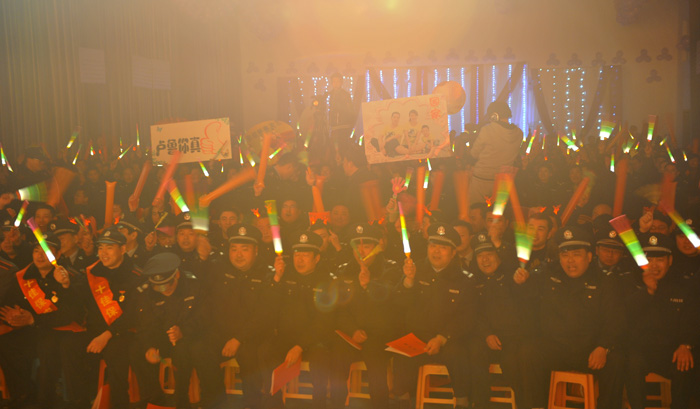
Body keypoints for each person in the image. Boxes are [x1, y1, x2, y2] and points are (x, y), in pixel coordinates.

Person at [518, 226, 625, 409]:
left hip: (589, 351)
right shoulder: (549, 274)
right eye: (565, 255)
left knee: (616, 360)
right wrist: (521, 281)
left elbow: (615, 319)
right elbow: (527, 297)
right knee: (528, 352)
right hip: (556, 348)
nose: (570, 261)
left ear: (589, 257)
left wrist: (603, 346)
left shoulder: (604, 281)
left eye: (576, 255)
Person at [392, 222, 476, 409]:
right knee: (400, 353)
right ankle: (401, 401)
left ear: (453, 253)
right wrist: (408, 281)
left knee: (459, 355)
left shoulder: (464, 279)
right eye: (433, 245)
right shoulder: (414, 269)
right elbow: (399, 304)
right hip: (417, 338)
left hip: (448, 339)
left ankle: (462, 402)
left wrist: (442, 338)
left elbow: (467, 318)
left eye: (443, 247)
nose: (436, 251)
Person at [199, 223, 278, 409]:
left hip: (251, 336)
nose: (238, 254)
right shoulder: (220, 270)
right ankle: (216, 401)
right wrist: (202, 258)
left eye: (244, 249)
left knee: (249, 355)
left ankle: (252, 404)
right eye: (234, 249)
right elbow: (205, 295)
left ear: (256, 250)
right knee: (200, 349)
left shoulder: (267, 274)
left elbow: (264, 315)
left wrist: (239, 338)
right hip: (222, 331)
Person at [330, 223, 401, 409]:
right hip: (351, 333)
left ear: (377, 247)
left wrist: (368, 286)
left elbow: (391, 307)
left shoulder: (391, 269)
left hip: (379, 334)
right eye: (356, 247)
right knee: (337, 357)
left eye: (367, 246)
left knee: (376, 369)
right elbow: (339, 309)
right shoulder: (344, 270)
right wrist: (352, 330)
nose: (361, 251)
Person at [260, 231, 334, 409]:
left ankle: (319, 405)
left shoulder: (326, 281)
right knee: (265, 351)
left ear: (316, 258)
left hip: (314, 340)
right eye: (296, 255)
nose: (299, 260)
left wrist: (300, 346)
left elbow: (324, 322)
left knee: (321, 361)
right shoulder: (285, 276)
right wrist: (277, 278)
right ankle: (274, 404)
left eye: (305, 255)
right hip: (286, 337)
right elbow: (268, 307)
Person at [624, 233, 699, 409]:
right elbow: (625, 315)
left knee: (686, 362)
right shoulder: (631, 281)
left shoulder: (683, 285)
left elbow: (692, 318)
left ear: (670, 260)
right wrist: (647, 292)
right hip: (641, 349)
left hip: (672, 350)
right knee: (631, 362)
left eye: (660, 259)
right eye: (649, 259)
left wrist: (686, 344)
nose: (654, 265)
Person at [79, 227, 144, 409]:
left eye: (109, 248)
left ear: (122, 249)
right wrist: (65, 284)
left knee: (116, 354)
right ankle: (79, 401)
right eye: (100, 248)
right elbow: (78, 299)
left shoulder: (136, 276)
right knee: (69, 348)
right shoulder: (92, 272)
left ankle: (119, 405)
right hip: (94, 330)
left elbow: (133, 315)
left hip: (123, 332)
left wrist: (107, 334)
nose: (103, 253)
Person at [467, 232, 532, 409]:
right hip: (485, 336)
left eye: (489, 254)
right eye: (480, 256)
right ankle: (480, 404)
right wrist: (486, 334)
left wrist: (523, 284)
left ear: (498, 256)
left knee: (513, 360)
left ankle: (523, 404)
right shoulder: (472, 281)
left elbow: (526, 307)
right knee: (474, 351)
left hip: (512, 338)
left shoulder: (513, 277)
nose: (485, 260)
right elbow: (472, 314)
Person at [132, 252, 203, 409]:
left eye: (167, 284)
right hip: (161, 338)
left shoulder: (193, 286)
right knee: (137, 351)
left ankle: (181, 400)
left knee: (182, 351)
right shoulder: (148, 292)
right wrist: (149, 347)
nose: (163, 290)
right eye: (158, 286)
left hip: (188, 337)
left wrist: (183, 331)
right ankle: (154, 399)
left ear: (176, 275)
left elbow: (203, 318)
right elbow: (145, 325)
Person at [468, 101, 523, 204]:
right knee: (497, 212)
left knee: (475, 209)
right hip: (503, 181)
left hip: (482, 179)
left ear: (494, 115)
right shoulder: (519, 133)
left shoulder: (487, 130)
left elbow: (474, 154)